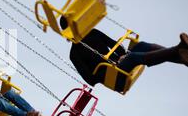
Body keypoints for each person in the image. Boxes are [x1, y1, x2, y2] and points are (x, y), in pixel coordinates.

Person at [60, 18, 188, 86]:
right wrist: (110, 67)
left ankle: (182, 58)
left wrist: (121, 55)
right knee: (132, 57)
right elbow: (90, 79)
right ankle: (178, 49)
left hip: (121, 63)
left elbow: (113, 43)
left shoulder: (93, 33)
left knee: (141, 46)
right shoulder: (74, 54)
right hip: (114, 78)